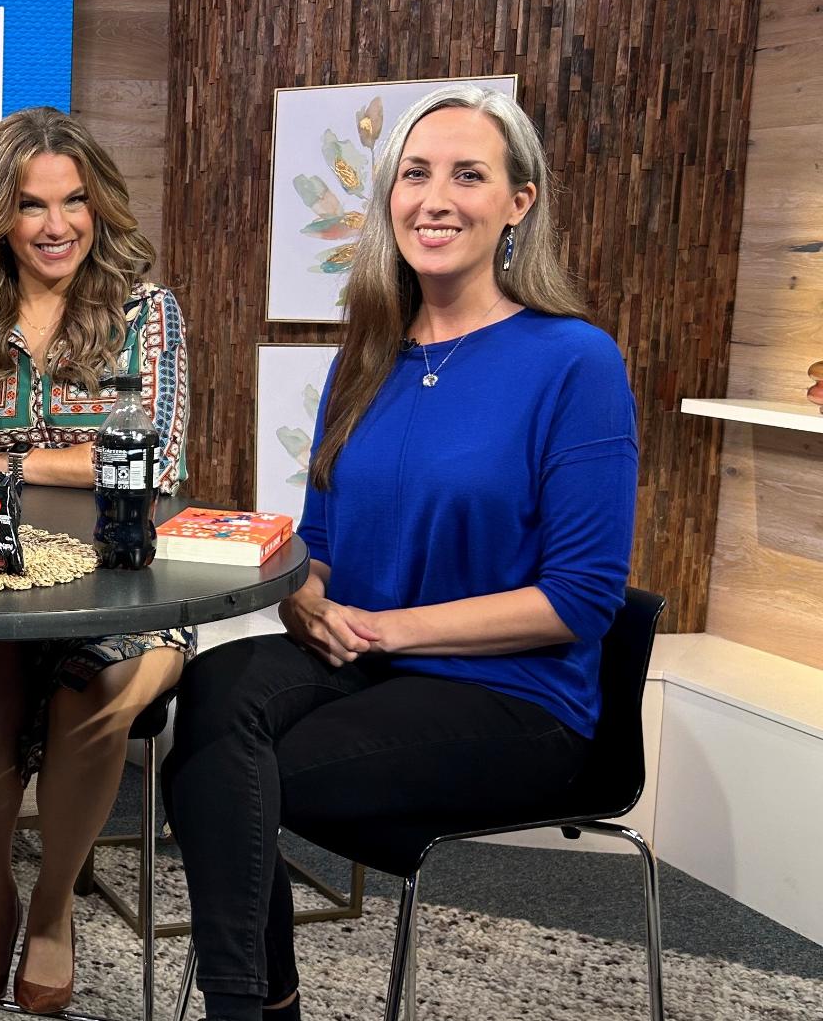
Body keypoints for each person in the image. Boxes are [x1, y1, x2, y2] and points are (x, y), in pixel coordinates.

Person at [160, 85, 639, 1021]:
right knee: (211, 699)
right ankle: (260, 1006)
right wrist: (307, 599)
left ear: (520, 202)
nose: (436, 198)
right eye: (415, 174)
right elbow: (326, 546)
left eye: (469, 175)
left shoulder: (576, 361)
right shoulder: (366, 353)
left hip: (516, 698)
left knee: (231, 777)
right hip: (361, 660)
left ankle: (246, 1013)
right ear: (389, 198)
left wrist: (383, 630)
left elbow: (581, 599)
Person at [0, 106, 193, 1014]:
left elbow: (155, 459)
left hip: (128, 578)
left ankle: (52, 906)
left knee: (99, 692)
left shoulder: (147, 312)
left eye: (75, 201)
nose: (57, 225)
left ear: (99, 205)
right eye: (32, 205)